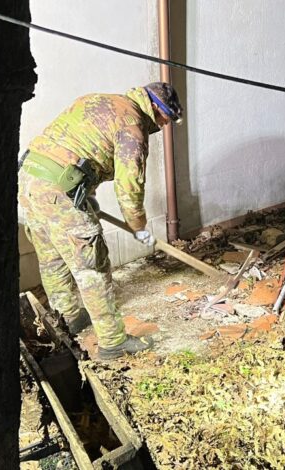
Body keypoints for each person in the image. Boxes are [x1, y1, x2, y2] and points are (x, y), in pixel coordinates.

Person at [18, 82, 183, 360]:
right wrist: (138, 225)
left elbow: (81, 150)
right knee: (92, 266)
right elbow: (129, 187)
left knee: (52, 259)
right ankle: (113, 342)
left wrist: (87, 195)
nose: (164, 125)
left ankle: (68, 318)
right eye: (166, 118)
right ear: (156, 107)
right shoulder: (132, 126)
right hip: (58, 192)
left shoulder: (98, 100)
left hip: (29, 181)